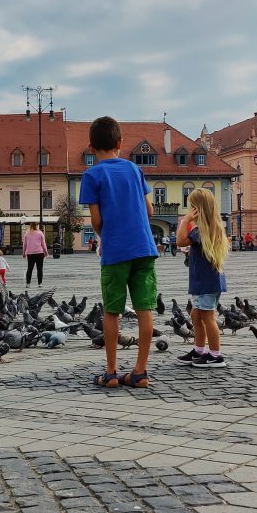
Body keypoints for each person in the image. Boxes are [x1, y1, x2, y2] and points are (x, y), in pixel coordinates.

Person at [78, 116, 158, 389]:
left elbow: (96, 221)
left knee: (112, 311)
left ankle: (111, 373)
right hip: (145, 248)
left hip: (115, 251)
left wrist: (106, 237)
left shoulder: (91, 175)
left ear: (91, 147)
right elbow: (150, 211)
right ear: (121, 143)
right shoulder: (135, 170)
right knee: (144, 308)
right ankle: (140, 371)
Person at [175, 188, 229, 369]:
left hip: (206, 283)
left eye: (192, 207)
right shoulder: (208, 229)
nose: (190, 210)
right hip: (204, 282)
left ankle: (215, 355)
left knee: (208, 317)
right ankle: (199, 350)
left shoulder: (202, 231)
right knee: (196, 315)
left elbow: (180, 241)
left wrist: (185, 220)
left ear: (198, 208)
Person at [22, 222, 47, 288]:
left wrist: (24, 253)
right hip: (39, 253)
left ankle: (28, 283)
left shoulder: (27, 234)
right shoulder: (40, 233)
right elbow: (43, 244)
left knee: (29, 269)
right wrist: (46, 252)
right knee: (39, 269)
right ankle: (40, 283)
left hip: (30, 254)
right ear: (36, 226)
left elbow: (24, 245)